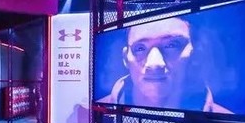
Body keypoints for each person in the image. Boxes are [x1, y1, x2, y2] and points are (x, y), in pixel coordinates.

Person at [97, 16, 231, 113]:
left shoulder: (226, 122)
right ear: (125, 58)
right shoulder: (98, 110)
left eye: (172, 45)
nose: (155, 64)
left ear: (194, 54)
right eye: (140, 48)